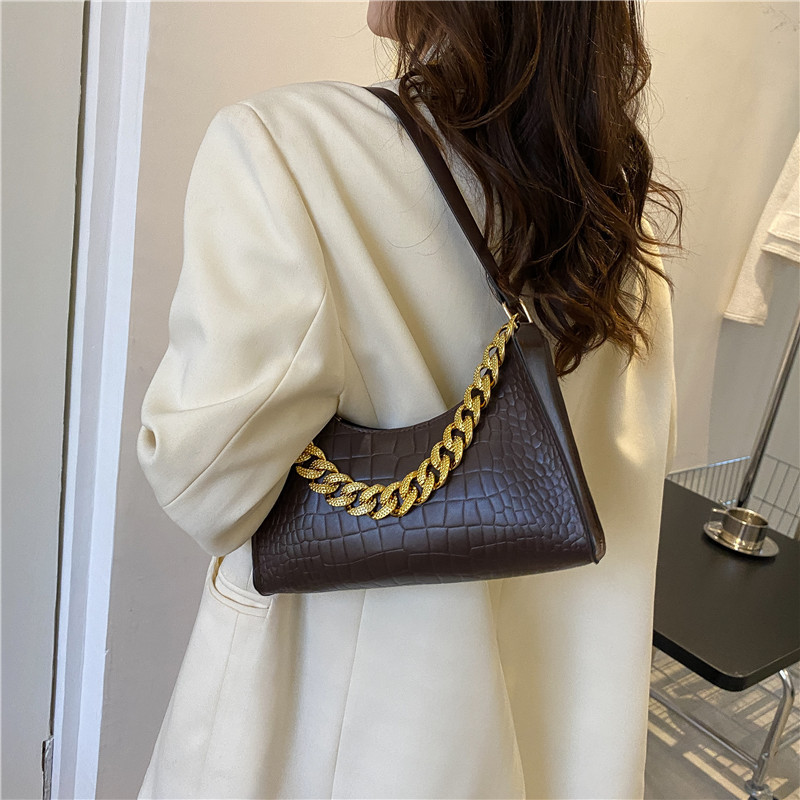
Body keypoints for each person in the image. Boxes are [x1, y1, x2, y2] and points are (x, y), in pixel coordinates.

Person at [136, 1, 681, 797]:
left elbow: (203, 489)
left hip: (338, 742)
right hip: (551, 738)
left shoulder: (289, 150)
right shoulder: (622, 231)